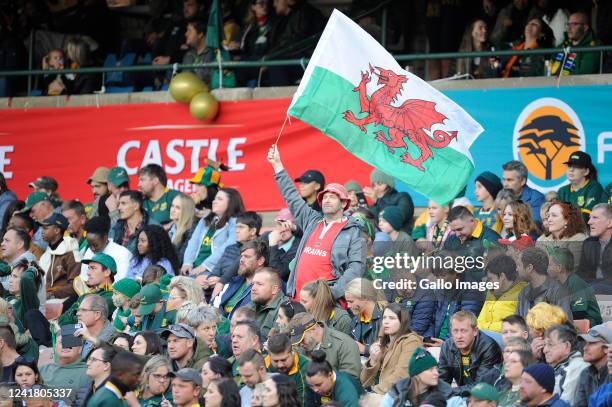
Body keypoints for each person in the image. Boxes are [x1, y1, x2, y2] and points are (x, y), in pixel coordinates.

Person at [268, 144, 365, 299]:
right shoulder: (312, 221)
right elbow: (291, 196)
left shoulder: (353, 230)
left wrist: (331, 294)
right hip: (297, 298)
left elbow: (356, 268)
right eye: (324, 197)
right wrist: (277, 165)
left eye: (332, 197)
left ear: (344, 203)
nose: (326, 200)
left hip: (325, 304)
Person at [361, 303, 423, 394]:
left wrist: (374, 390)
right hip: (377, 393)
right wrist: (372, 362)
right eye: (384, 318)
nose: (386, 321)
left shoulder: (411, 341)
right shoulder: (381, 343)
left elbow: (403, 375)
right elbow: (363, 382)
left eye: (392, 318)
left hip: (398, 397)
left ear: (402, 321)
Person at [182, 188, 244, 276]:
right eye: (215, 198)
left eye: (220, 199)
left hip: (213, 270)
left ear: (231, 203)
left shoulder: (235, 222)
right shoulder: (205, 219)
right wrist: (187, 262)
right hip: (194, 267)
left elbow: (229, 246)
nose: (214, 201)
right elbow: (193, 241)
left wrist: (205, 265)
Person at [438, 311, 502, 392]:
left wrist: (451, 392)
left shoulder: (488, 347)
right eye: (455, 331)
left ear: (475, 331)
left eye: (463, 331)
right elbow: (442, 381)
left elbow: (480, 386)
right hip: (460, 393)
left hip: (483, 397)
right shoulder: (447, 346)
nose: (459, 336)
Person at [204, 211, 263, 296]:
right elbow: (215, 271)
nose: (237, 231)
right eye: (236, 228)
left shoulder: (260, 250)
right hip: (217, 291)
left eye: (241, 227)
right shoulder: (230, 249)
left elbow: (249, 276)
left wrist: (221, 280)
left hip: (241, 293)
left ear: (253, 231)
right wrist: (209, 281)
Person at [288, 312, 361, 379]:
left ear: (313, 329)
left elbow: (350, 379)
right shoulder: (303, 348)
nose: (300, 344)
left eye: (302, 339)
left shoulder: (343, 343)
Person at [381, 347, 459, 407]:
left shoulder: (447, 395)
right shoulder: (397, 392)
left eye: (436, 368)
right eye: (430, 369)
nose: (436, 373)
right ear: (417, 373)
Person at [547, 247, 602, 327]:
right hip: (568, 325)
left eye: (550, 265)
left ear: (559, 268)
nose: (547, 268)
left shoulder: (577, 284)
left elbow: (578, 313)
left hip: (589, 329)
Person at [58, 252, 117, 326]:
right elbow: (62, 319)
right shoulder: (88, 294)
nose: (88, 273)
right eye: (88, 268)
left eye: (93, 268)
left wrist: (70, 319)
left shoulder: (111, 296)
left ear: (107, 272)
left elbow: (86, 320)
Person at [443, 205, 500, 279]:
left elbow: (496, 275)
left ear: (472, 221)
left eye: (460, 229)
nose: (457, 234)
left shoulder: (492, 239)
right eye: (454, 231)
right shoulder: (451, 239)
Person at [516, 247, 572, 319]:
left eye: (518, 265)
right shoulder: (523, 292)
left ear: (530, 268)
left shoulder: (559, 293)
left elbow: (565, 327)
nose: (516, 269)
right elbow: (518, 323)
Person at [478, 255, 527, 333]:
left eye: (490, 278)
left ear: (502, 276)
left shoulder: (523, 293)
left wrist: (487, 327)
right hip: (486, 337)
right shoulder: (491, 292)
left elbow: (517, 325)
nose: (488, 283)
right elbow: (479, 321)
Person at [218, 240, 268, 317]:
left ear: (260, 261)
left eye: (247, 256)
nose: (241, 260)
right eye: (241, 256)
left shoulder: (266, 287)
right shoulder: (234, 281)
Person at [543, 324, 589, 405]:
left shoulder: (577, 367)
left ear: (567, 346)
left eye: (550, 344)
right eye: (544, 345)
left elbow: (566, 403)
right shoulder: (556, 366)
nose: (545, 350)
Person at [39, 213, 81, 301]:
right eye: (42, 228)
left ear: (57, 230)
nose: (42, 231)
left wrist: (52, 294)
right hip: (45, 299)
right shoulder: (46, 254)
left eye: (46, 228)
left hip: (64, 300)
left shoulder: (71, 252)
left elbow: (75, 285)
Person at [80, 216, 132, 284]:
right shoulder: (89, 251)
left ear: (105, 237)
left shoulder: (122, 254)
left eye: (95, 245)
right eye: (89, 245)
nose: (92, 249)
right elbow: (83, 277)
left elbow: (121, 283)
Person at [537, 201, 587, 270]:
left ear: (567, 220)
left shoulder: (578, 239)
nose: (549, 219)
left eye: (554, 215)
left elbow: (568, 270)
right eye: (548, 216)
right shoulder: (541, 240)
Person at [39, 328, 89, 395]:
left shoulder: (89, 373)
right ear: (55, 347)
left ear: (80, 348)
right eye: (62, 342)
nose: (66, 346)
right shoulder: (43, 370)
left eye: (71, 342)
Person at [345, 277, 386, 356]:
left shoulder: (385, 318)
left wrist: (365, 349)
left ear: (365, 298)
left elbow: (392, 352)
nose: (348, 306)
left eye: (351, 301)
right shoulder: (355, 320)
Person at [265, 334, 312, 404]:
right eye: (275, 361)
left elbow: (303, 402)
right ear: (269, 356)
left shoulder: (306, 366)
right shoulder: (261, 365)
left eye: (284, 360)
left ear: (292, 353)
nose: (280, 365)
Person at [557, 151, 606, 218]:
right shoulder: (562, 190)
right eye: (569, 166)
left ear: (586, 171)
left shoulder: (594, 187)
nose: (571, 169)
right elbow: (557, 214)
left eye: (576, 166)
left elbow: (586, 216)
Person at [574, 324, 612, 407]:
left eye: (591, 343)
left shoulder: (611, 373)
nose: (585, 348)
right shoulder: (585, 373)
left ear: (606, 348)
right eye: (585, 343)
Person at [551, 11, 601, 76]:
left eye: (574, 24)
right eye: (568, 24)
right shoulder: (563, 45)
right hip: (553, 84)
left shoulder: (594, 47)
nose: (569, 28)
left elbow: (583, 74)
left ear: (585, 28)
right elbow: (548, 67)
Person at [247, 267, 287, 338]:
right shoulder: (254, 303)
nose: (253, 288)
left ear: (274, 289)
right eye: (253, 284)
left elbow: (276, 345)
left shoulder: (285, 310)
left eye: (259, 284)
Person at [579, 203, 612, 283]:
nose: (589, 222)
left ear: (609, 223)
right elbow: (582, 273)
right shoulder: (588, 243)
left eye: (595, 218)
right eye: (590, 218)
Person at [75, 294, 115, 358]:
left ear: (97, 314)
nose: (77, 314)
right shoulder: (77, 332)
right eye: (78, 310)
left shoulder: (113, 337)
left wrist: (90, 338)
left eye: (84, 310)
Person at [267, 208, 301, 281]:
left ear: (293, 226)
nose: (282, 229)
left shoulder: (298, 246)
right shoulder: (268, 236)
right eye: (279, 224)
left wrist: (273, 246)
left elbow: (277, 274)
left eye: (286, 225)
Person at [182, 19, 213, 84]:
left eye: (189, 31)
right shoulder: (188, 54)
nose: (186, 34)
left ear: (200, 34)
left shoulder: (212, 54)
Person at [167, 192, 196, 263]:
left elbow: (180, 259)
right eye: (172, 206)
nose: (173, 210)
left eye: (178, 208)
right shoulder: (171, 229)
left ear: (186, 210)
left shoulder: (191, 231)